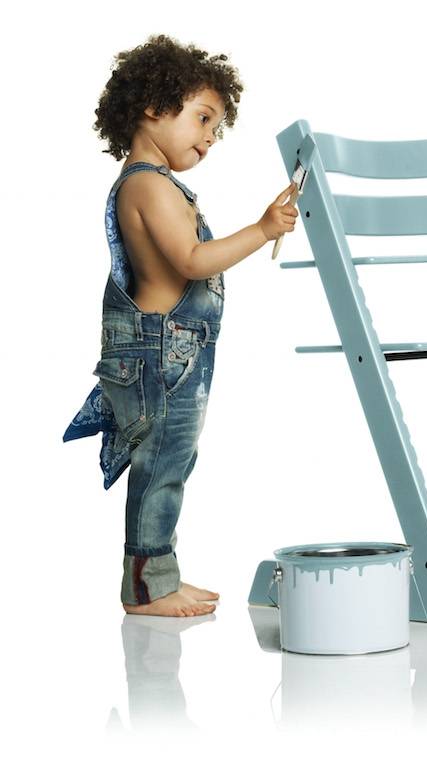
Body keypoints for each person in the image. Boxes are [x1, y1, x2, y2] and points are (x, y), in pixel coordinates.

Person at [63, 34, 298, 617]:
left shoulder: (157, 184)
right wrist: (262, 229)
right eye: (203, 118)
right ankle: (146, 588)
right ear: (153, 106)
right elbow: (192, 261)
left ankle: (160, 573)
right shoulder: (147, 184)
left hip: (174, 352)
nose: (210, 138)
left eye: (216, 127)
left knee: (171, 463)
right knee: (161, 466)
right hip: (160, 353)